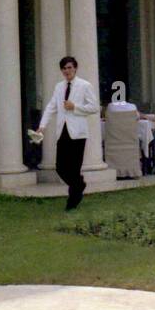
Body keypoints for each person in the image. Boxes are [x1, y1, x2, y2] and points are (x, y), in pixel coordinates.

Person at [37, 55, 99, 211]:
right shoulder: (59, 86)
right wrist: (42, 126)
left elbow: (94, 107)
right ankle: (79, 184)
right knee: (61, 167)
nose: (67, 71)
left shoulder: (85, 85)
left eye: (70, 67)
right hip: (62, 132)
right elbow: (51, 107)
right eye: (64, 68)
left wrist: (75, 107)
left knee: (74, 168)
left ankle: (72, 203)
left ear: (75, 68)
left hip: (78, 133)